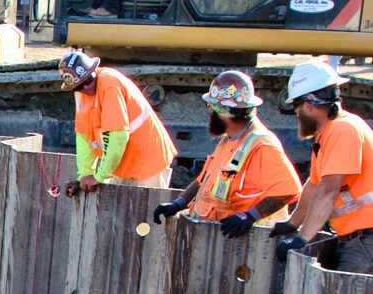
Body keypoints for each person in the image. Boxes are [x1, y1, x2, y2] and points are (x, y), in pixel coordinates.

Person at [153, 71, 300, 239]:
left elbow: (288, 190)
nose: (209, 113)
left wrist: (250, 216)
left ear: (223, 112)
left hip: (246, 246)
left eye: (211, 107)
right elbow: (204, 180)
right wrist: (178, 203)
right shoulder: (229, 140)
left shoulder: (261, 145)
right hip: (219, 240)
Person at [275, 59, 373, 273]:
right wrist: (292, 223)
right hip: (359, 239)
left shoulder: (342, 130)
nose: (297, 115)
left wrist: (301, 239)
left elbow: (328, 190)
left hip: (367, 240)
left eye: (297, 108)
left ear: (308, 106)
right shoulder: (328, 135)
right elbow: (314, 185)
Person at [59, 48, 177, 197]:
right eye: (79, 87)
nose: (85, 87)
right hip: (123, 164)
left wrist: (98, 177)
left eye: (88, 81)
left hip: (148, 162)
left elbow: (118, 134)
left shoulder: (110, 84)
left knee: (147, 218)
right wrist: (84, 176)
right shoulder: (81, 95)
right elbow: (84, 137)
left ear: (94, 71)